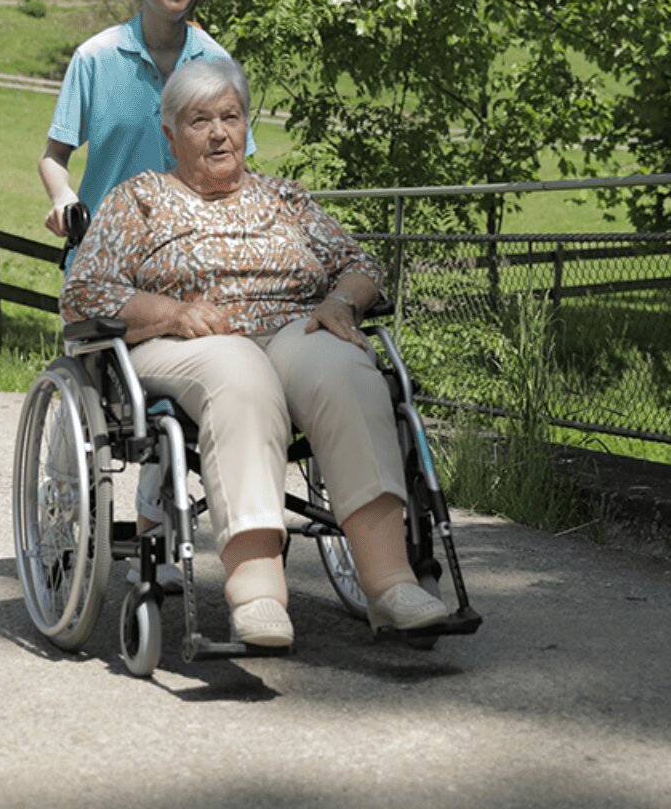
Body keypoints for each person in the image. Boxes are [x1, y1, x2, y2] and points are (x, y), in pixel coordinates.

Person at [62, 56, 449, 648]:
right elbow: (86, 292)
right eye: (199, 120)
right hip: (185, 343)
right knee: (239, 375)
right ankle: (258, 591)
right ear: (169, 134)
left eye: (231, 116)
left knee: (348, 368)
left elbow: (360, 263)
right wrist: (171, 311)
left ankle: (390, 581)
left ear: (247, 125)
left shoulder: (284, 198)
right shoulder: (139, 200)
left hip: (293, 328)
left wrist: (342, 304)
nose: (218, 132)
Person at [37, 0, 255, 541]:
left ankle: (163, 510)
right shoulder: (96, 58)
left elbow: (234, 164)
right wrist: (64, 198)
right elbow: (53, 157)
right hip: (112, 267)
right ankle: (62, 513)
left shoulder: (215, 61)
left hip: (194, 265)